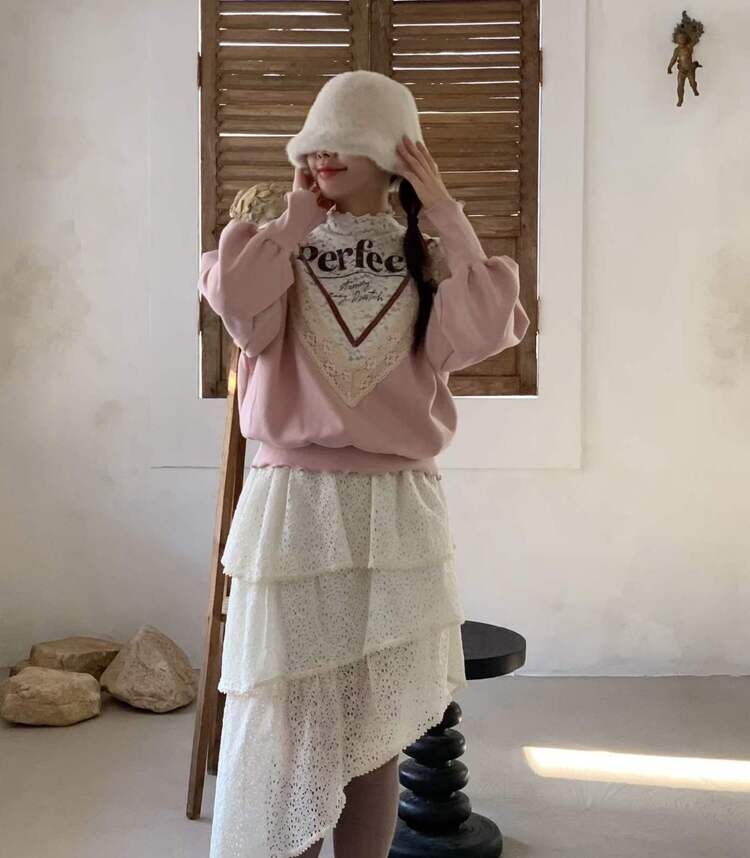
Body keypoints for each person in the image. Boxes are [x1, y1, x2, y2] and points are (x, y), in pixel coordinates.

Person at [198, 70, 530, 858]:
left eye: (340, 142)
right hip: (295, 503)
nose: (320, 156)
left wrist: (444, 209)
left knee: (375, 728)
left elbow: (492, 323)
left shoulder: (427, 257)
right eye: (312, 144)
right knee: (290, 724)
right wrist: (294, 220)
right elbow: (236, 305)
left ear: (391, 153)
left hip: (396, 506)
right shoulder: (273, 248)